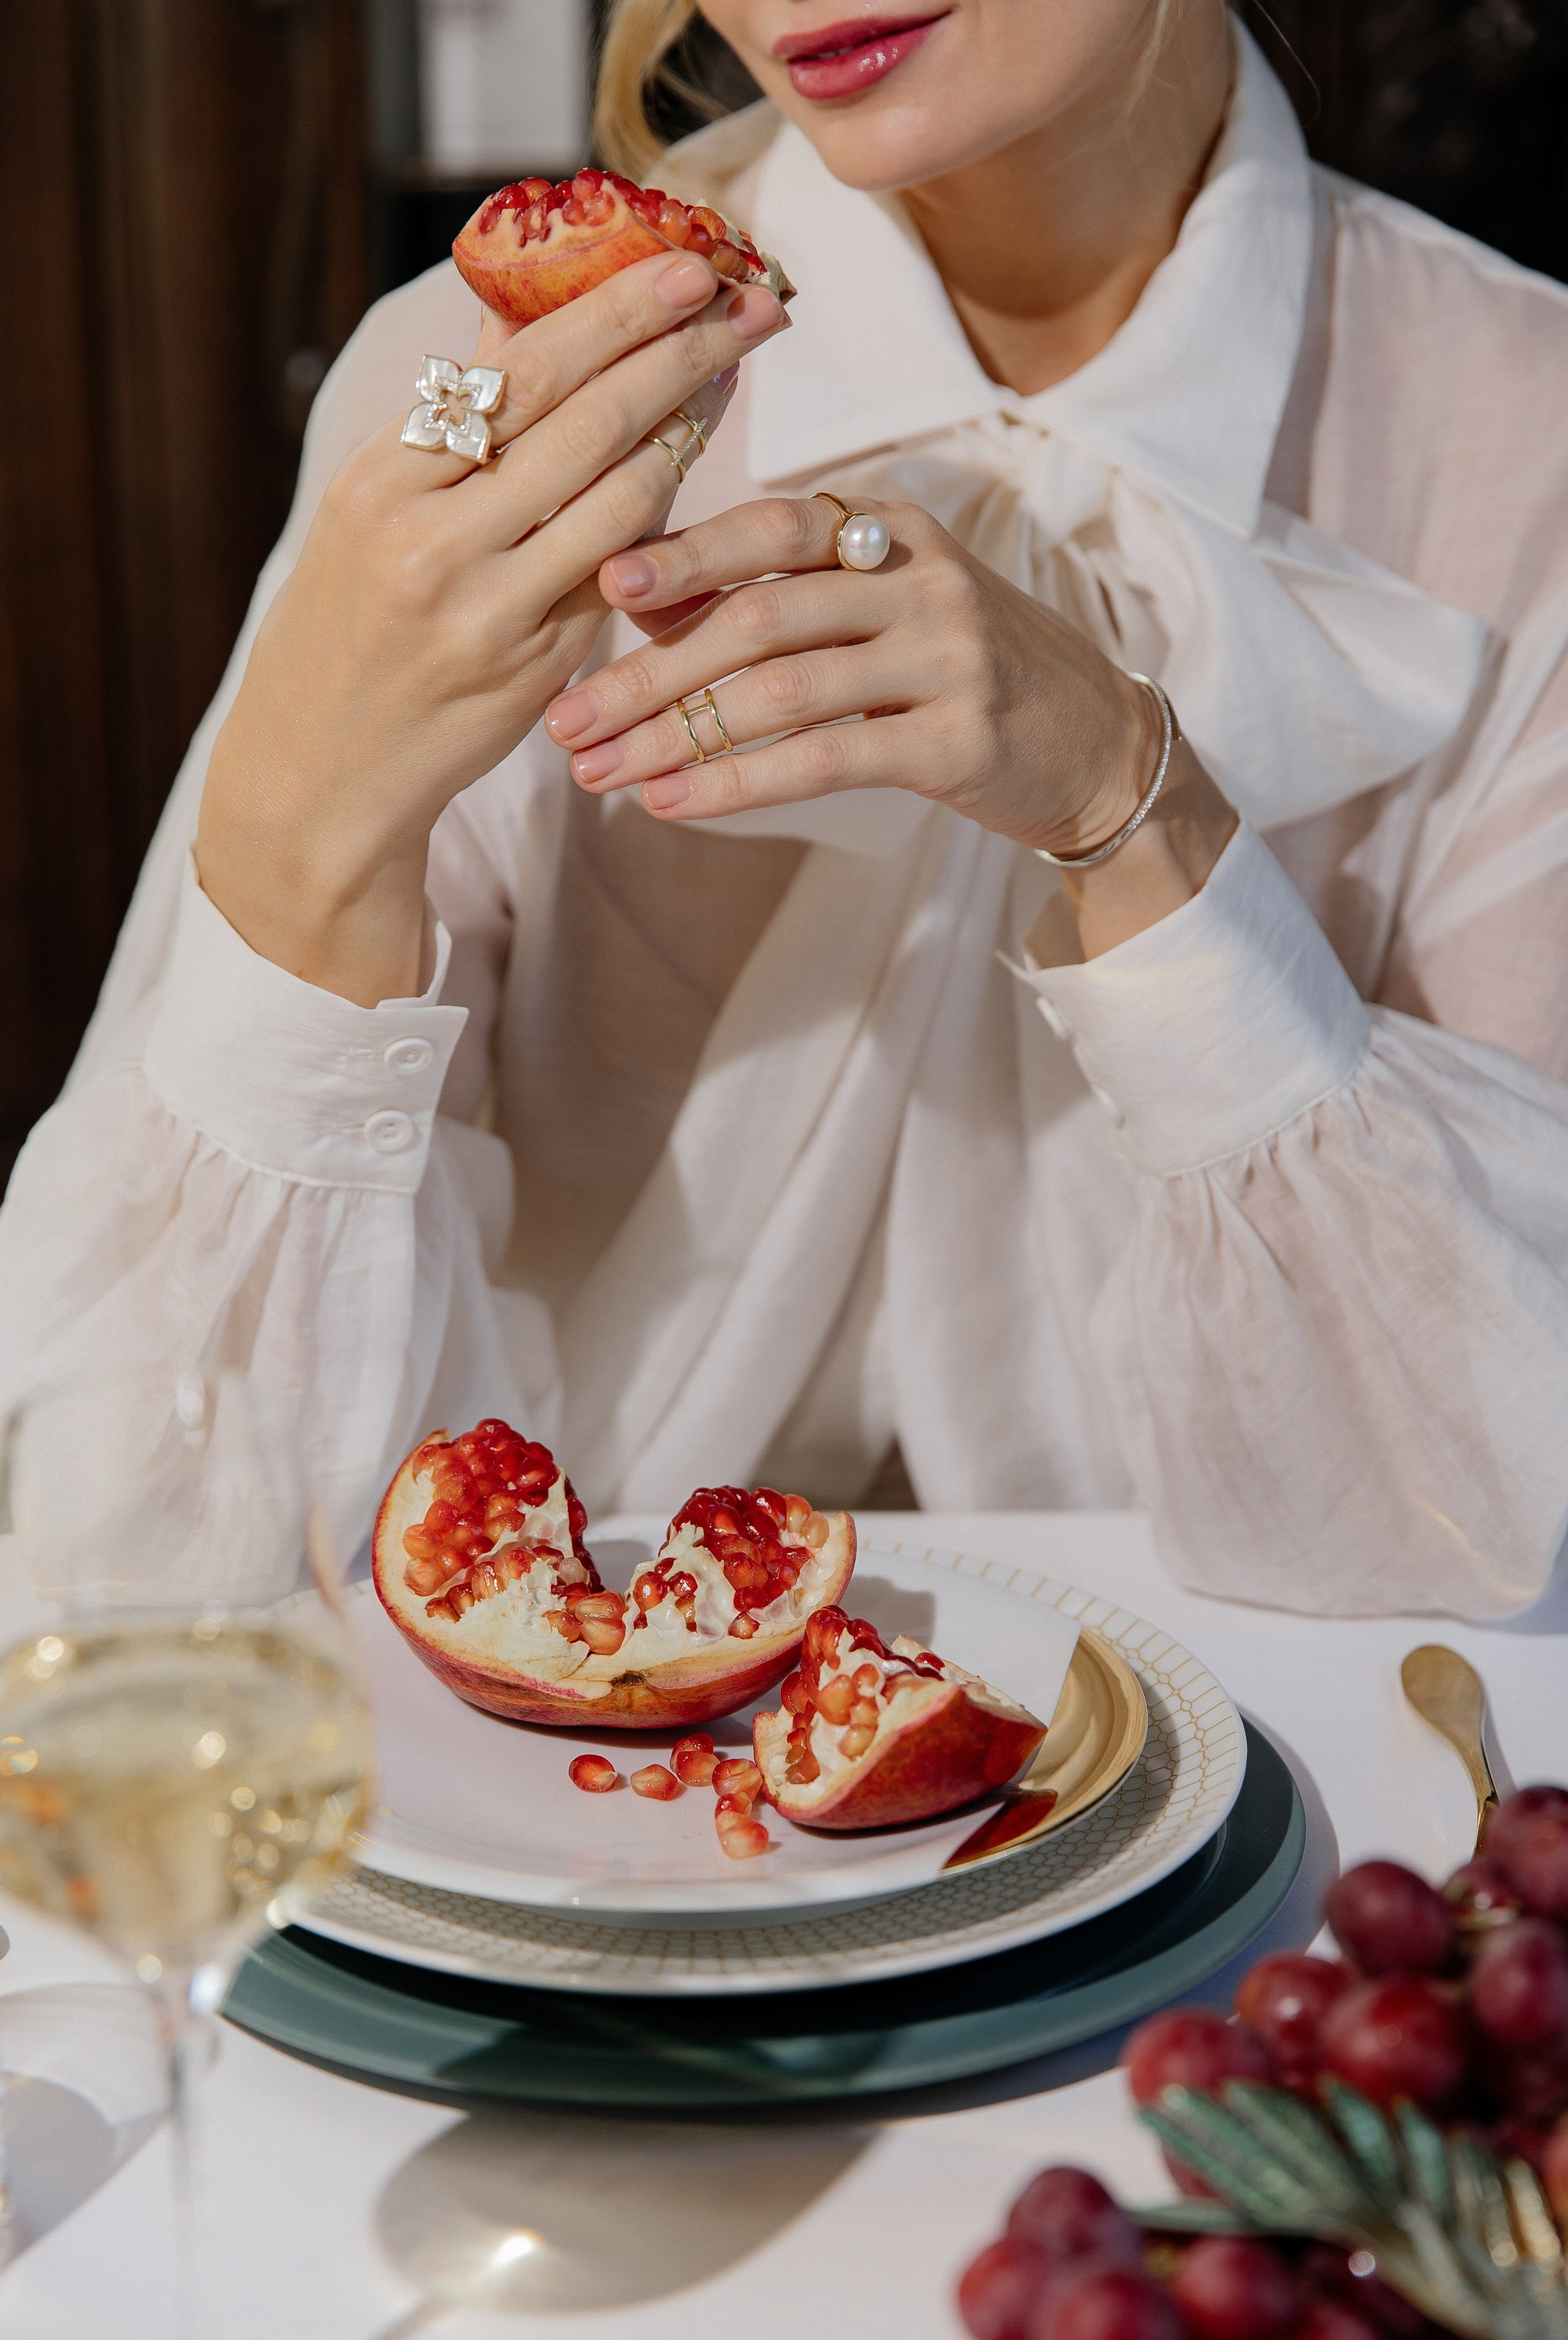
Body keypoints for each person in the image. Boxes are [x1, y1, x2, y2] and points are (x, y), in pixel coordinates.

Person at [3, 0, 1567, 1619]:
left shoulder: (1529, 445)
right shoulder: (479, 389)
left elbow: (1480, 1526)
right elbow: (151, 1544)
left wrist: (1133, 806)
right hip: (556, 1706)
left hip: (1249, 1708)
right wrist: (300, 836)